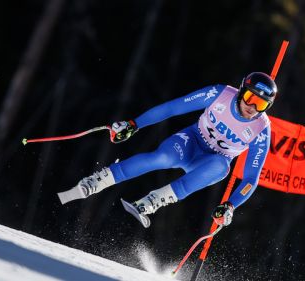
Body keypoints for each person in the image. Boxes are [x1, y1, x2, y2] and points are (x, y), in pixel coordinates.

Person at [57, 72, 277, 228]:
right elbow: (173, 107)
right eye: (250, 98)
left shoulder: (261, 129)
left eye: (261, 105)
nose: (252, 108)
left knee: (222, 167)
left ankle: (151, 202)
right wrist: (134, 125)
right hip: (191, 141)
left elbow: (251, 178)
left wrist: (230, 205)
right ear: (241, 91)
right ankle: (98, 181)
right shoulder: (219, 94)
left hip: (209, 163)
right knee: (162, 157)